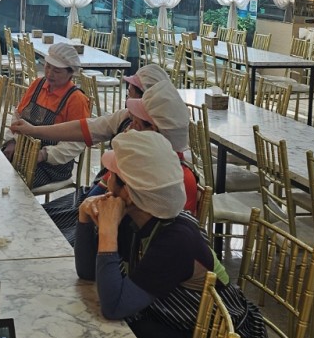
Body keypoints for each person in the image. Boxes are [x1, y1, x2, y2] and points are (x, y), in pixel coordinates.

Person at [74, 130, 271, 338]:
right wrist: (83, 216)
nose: (104, 182)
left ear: (130, 193)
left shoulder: (175, 238)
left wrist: (106, 233)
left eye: (111, 177)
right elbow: (87, 273)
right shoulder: (139, 220)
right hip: (187, 334)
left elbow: (114, 306)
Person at [10, 63, 196, 240]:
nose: (131, 123)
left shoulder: (171, 179)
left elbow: (151, 234)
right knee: (35, 220)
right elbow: (85, 128)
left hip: (111, 218)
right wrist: (33, 130)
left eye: (137, 120)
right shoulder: (127, 120)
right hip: (99, 198)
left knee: (44, 233)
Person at [2, 42, 90, 188]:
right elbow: (18, 116)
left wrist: (43, 155)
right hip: (22, 150)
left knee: (13, 184)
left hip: (52, 166)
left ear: (70, 73)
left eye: (57, 71)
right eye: (48, 66)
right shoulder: (37, 84)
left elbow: (77, 143)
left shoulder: (76, 100)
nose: (49, 73)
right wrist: (12, 141)